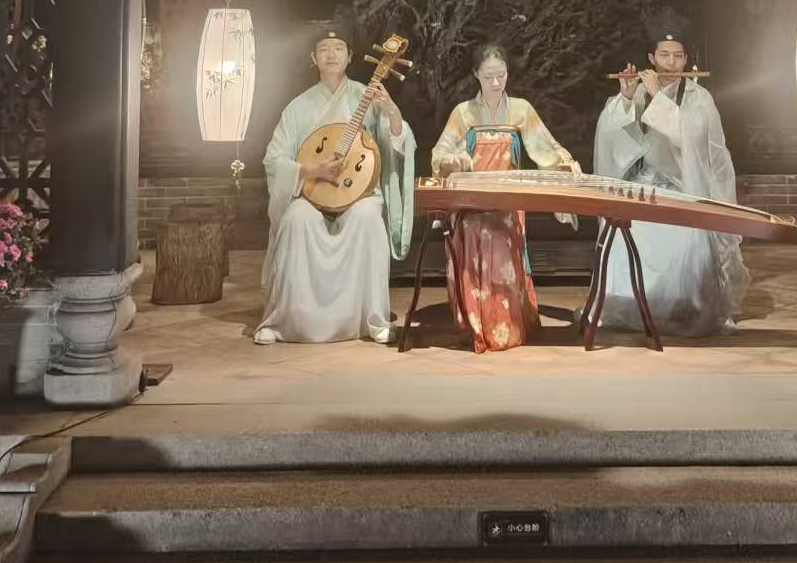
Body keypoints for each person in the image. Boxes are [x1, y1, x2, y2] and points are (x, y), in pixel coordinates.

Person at [256, 25, 415, 345]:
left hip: (359, 193)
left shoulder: (367, 96)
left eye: (339, 48)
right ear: (313, 58)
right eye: (324, 50)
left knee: (368, 217)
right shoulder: (297, 107)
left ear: (350, 56)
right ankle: (285, 319)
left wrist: (391, 110)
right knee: (296, 219)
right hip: (312, 192)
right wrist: (311, 170)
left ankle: (373, 318)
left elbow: (398, 142)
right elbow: (273, 160)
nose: (331, 55)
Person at [592, 20, 747, 337]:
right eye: (664, 55)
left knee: (689, 240)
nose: (671, 63)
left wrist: (656, 96)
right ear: (652, 58)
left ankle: (685, 309)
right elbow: (611, 136)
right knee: (626, 232)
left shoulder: (699, 97)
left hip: (686, 187)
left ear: (686, 59)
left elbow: (693, 139)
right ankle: (632, 306)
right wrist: (626, 100)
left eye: (678, 56)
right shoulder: (637, 91)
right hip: (646, 184)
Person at [431, 43, 580, 353]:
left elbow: (546, 148)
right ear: (476, 74)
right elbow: (439, 154)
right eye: (489, 77)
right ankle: (476, 326)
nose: (496, 83)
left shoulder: (521, 109)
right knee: (475, 231)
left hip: (508, 201)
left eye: (501, 75)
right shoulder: (463, 113)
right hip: (471, 203)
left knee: (499, 236)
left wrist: (565, 163)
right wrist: (452, 160)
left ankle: (505, 326)